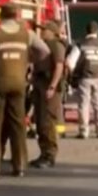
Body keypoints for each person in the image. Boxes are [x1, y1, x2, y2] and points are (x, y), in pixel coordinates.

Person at [0, 5, 50, 178]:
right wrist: (27, 60)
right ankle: (20, 166)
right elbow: (45, 52)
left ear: (0, 16)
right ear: (17, 16)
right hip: (19, 83)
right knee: (18, 124)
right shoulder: (27, 34)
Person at [30, 20, 67, 168]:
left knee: (48, 121)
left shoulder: (56, 45)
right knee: (40, 121)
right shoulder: (44, 45)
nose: (42, 32)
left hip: (48, 86)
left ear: (51, 31)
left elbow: (59, 66)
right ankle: (43, 152)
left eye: (44, 30)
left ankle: (50, 155)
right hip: (40, 84)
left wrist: (52, 86)